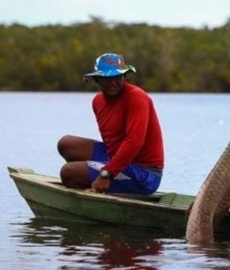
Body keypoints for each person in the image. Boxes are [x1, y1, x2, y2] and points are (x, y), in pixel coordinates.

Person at [58, 53, 164, 195]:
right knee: (66, 144)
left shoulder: (137, 98)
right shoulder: (97, 101)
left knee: (69, 172)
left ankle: (97, 187)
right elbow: (112, 144)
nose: (113, 82)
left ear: (124, 77)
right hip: (117, 160)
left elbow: (134, 141)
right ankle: (96, 182)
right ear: (97, 79)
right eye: (107, 78)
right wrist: (108, 168)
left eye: (117, 77)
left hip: (144, 174)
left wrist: (106, 174)